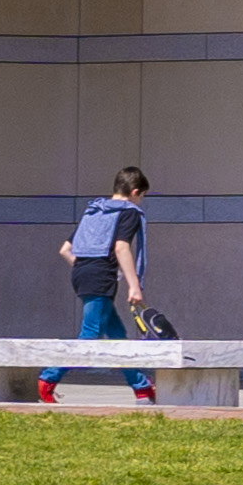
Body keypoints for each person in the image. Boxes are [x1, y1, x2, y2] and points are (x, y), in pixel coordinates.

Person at [53, 165, 161, 406]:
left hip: (82, 273)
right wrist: (134, 286)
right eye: (142, 196)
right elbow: (121, 248)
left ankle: (142, 388)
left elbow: (65, 249)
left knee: (117, 335)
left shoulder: (95, 211)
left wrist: (86, 268)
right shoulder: (129, 212)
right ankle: (48, 378)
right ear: (135, 192)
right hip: (101, 278)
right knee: (89, 334)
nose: (140, 202)